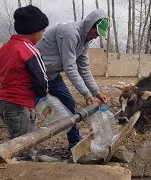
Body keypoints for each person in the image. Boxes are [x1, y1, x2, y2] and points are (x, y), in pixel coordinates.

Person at [36, 9, 110, 149]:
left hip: (52, 75)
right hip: (36, 76)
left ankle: (74, 141)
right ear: (90, 26)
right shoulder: (70, 33)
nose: (95, 38)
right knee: (39, 109)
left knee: (68, 102)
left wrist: (96, 92)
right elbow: (70, 67)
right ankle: (26, 147)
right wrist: (86, 94)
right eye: (95, 33)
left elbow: (84, 69)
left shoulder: (85, 41)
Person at [0, 5, 49, 159]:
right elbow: (41, 80)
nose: (43, 34)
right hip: (21, 104)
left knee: (17, 138)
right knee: (25, 146)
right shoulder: (29, 50)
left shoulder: (4, 48)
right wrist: (42, 94)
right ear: (34, 31)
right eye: (43, 31)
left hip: (5, 102)